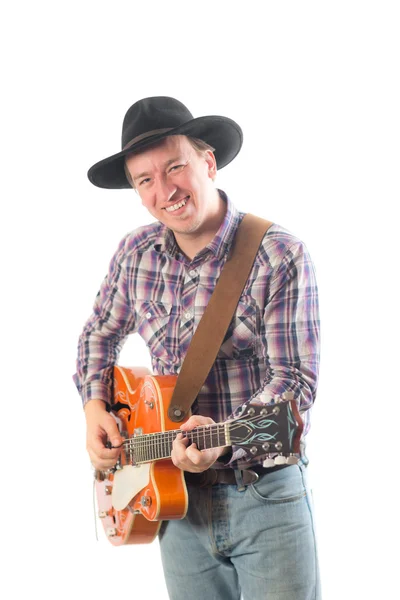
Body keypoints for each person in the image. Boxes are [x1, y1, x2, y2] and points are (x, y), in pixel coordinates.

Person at [74, 96, 321, 600]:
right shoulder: (134, 253)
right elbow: (98, 334)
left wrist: (223, 441)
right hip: (173, 503)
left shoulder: (279, 254)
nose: (165, 190)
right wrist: (95, 408)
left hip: (265, 495)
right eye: (145, 180)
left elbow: (294, 380)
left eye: (175, 168)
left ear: (208, 162)